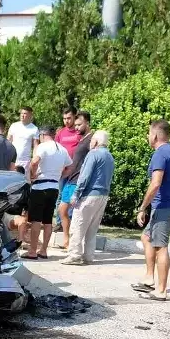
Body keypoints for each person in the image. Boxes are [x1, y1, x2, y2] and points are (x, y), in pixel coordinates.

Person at [132, 119, 170, 301]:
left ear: (155, 135)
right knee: (146, 237)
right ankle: (149, 279)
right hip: (169, 205)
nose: (148, 136)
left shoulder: (160, 153)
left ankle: (161, 291)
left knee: (160, 247)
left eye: (149, 133)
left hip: (162, 207)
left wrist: (142, 207)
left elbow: (156, 183)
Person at [62, 130, 114, 265]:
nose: (90, 143)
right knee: (92, 228)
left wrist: (76, 194)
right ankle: (88, 256)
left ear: (96, 141)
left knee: (78, 225)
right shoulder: (109, 156)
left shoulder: (93, 154)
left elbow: (85, 176)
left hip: (89, 194)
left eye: (91, 140)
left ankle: (74, 255)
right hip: (103, 195)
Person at [22, 127, 72, 260]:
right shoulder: (62, 149)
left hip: (40, 186)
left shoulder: (42, 147)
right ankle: (43, 250)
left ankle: (32, 251)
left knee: (36, 220)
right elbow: (70, 167)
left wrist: (32, 174)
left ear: (43, 135)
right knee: (48, 220)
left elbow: (34, 162)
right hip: (54, 187)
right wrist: (59, 176)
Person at [57, 112, 94, 250]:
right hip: (70, 178)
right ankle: (67, 240)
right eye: (76, 125)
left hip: (78, 180)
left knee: (74, 213)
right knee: (62, 210)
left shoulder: (91, 140)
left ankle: (74, 243)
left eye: (79, 124)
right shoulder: (82, 138)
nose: (76, 127)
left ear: (87, 123)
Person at [7, 106, 40, 171]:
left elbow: (35, 146)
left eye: (25, 113)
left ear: (30, 115)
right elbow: (8, 141)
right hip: (12, 159)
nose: (22, 115)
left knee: (24, 177)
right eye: (21, 113)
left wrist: (34, 159)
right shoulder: (14, 126)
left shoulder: (34, 129)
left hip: (25, 161)